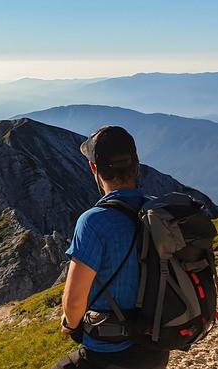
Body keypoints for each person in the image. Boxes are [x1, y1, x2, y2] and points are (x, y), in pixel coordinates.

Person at [52, 126, 169, 369]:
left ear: (93, 168)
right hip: (156, 349)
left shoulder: (94, 222)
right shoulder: (158, 211)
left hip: (108, 354)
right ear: (136, 163)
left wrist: (69, 325)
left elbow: (74, 302)